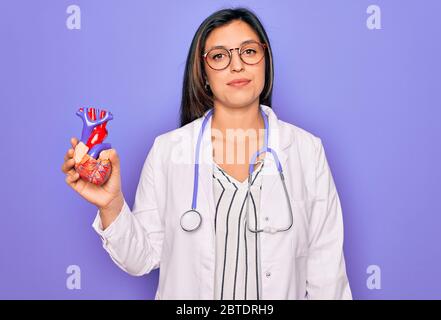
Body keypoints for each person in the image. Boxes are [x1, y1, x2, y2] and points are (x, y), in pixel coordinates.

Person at [61, 7, 352, 300]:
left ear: (266, 61)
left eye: (249, 52)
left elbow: (328, 277)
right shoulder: (168, 151)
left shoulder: (306, 151)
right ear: (203, 74)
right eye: (219, 56)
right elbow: (141, 258)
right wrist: (111, 204)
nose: (237, 66)